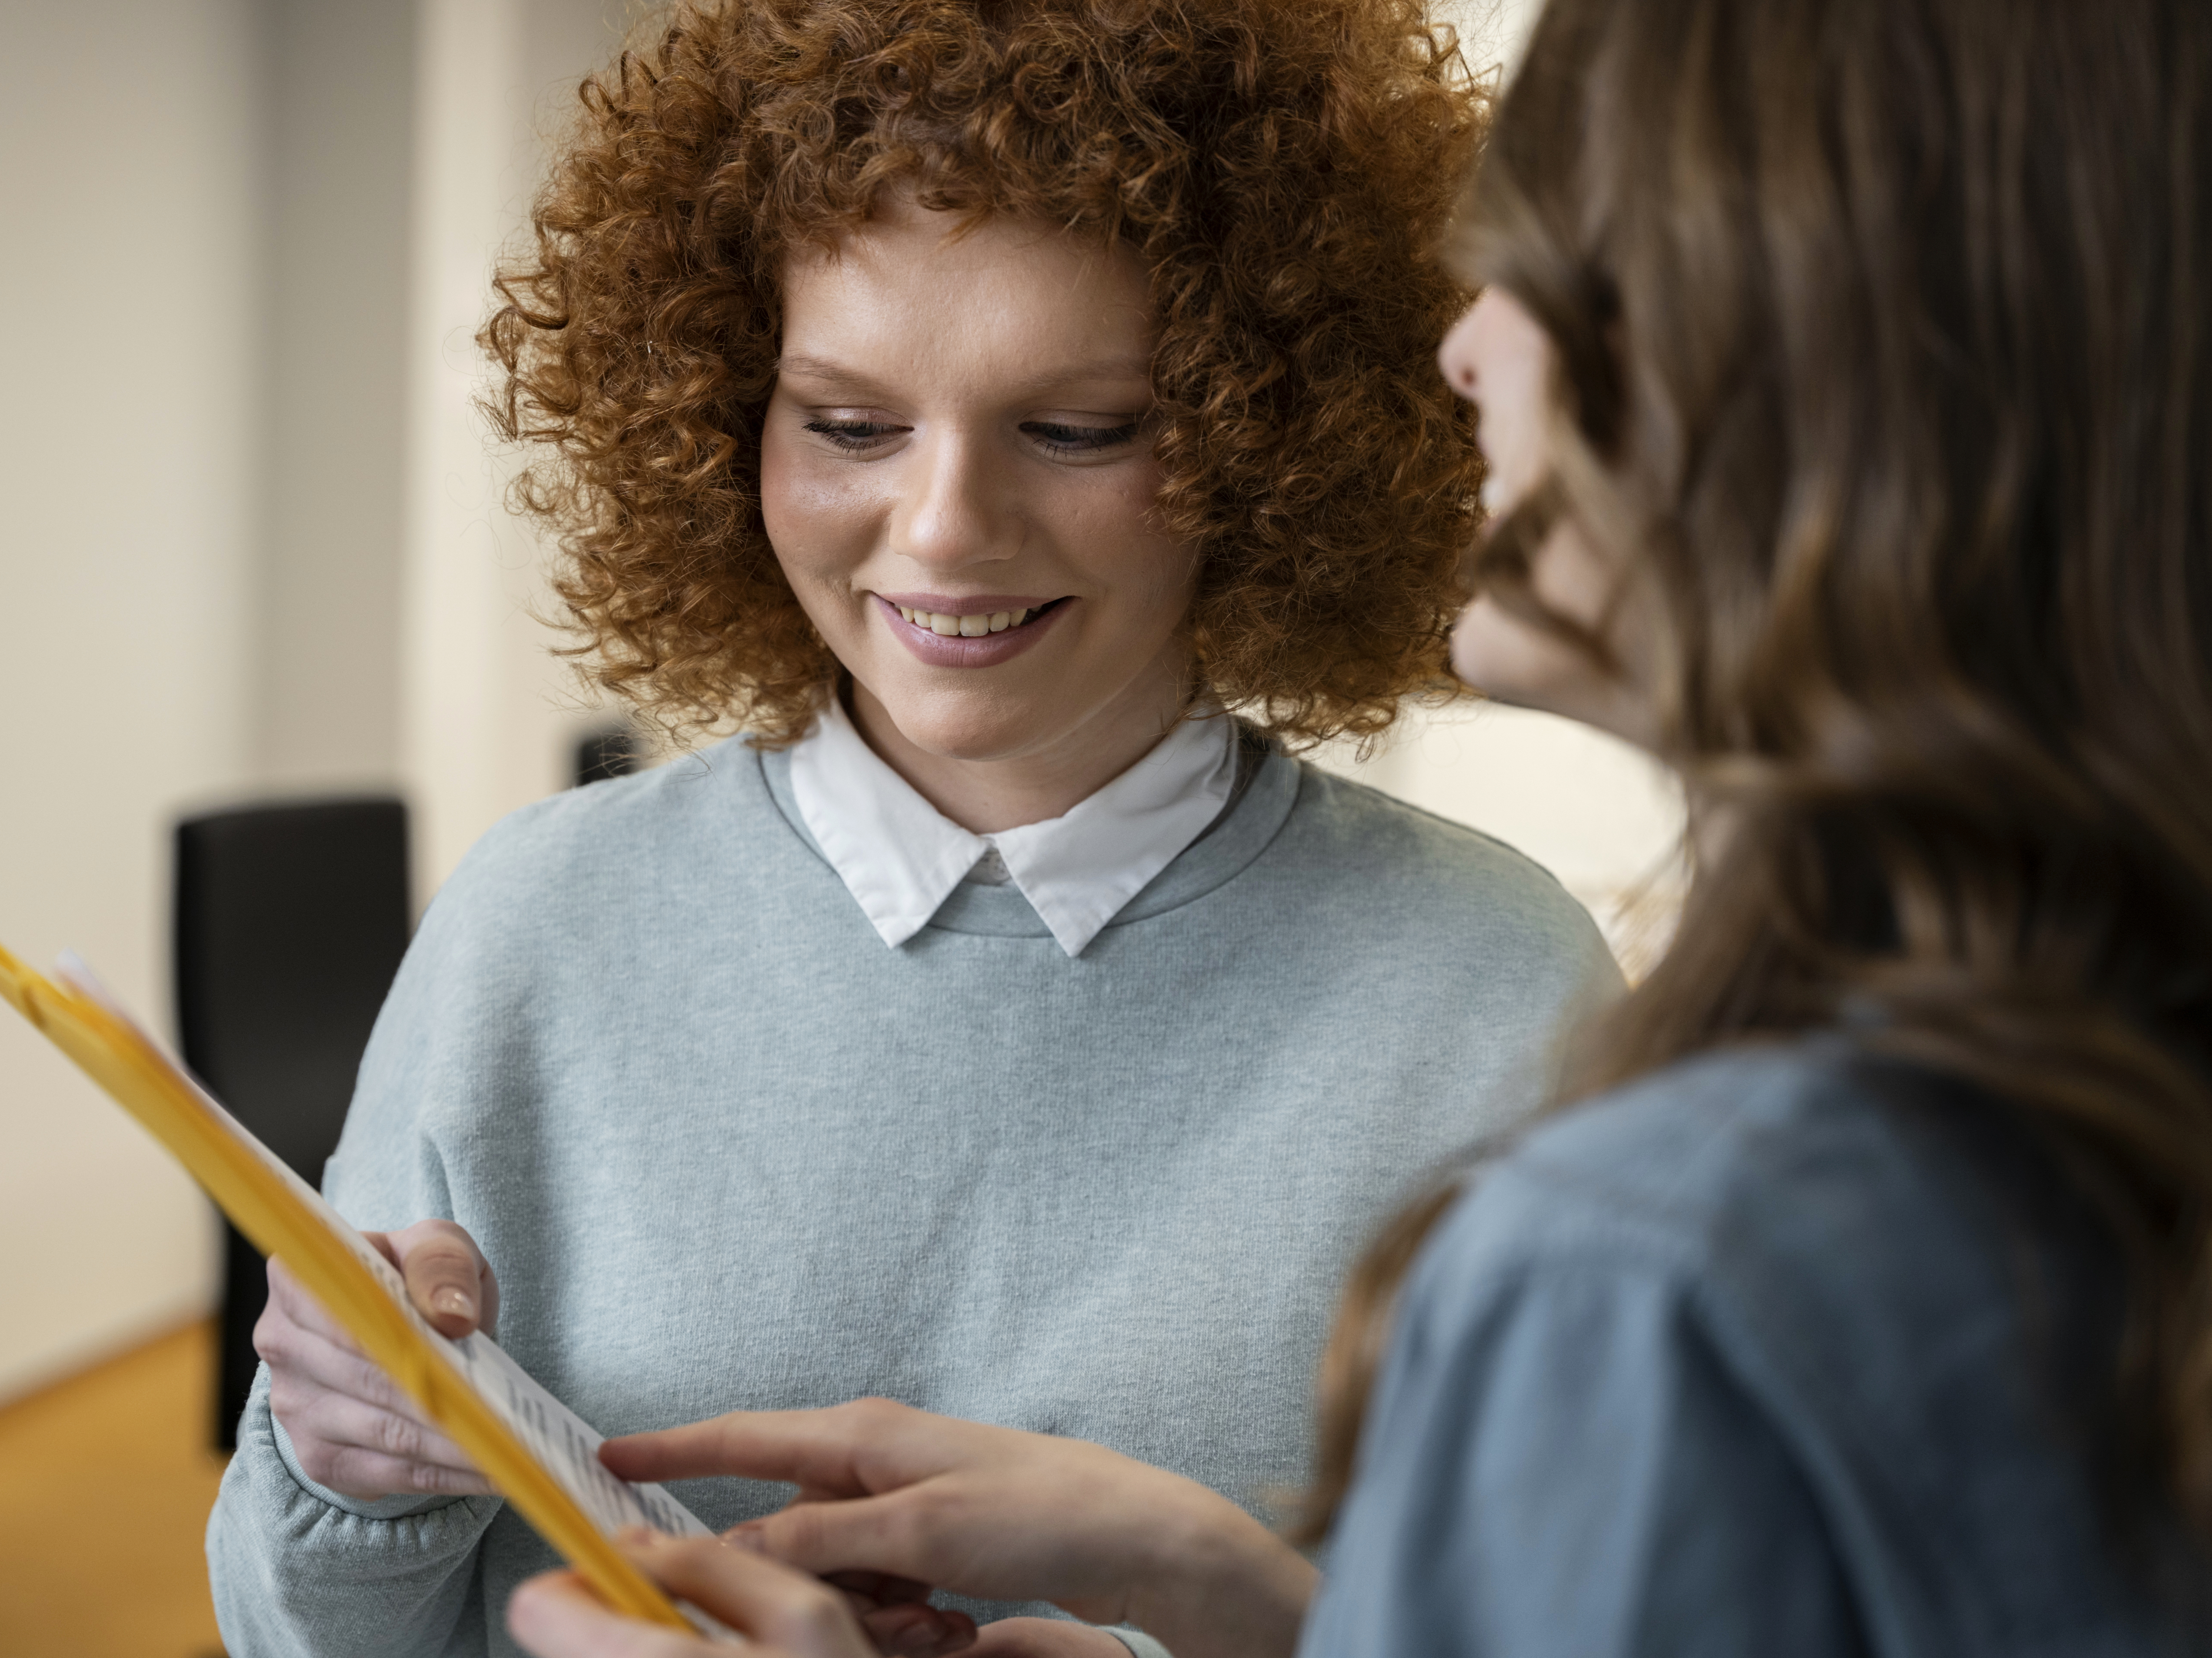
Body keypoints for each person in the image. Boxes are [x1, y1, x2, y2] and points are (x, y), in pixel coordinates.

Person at [492, 0, 2212, 1652]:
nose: (1465, 335)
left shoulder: (1656, 1250)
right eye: (852, 419)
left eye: (1567, 259)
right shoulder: (2097, 1137)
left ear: (1845, 391)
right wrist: (1263, 1593)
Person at [204, 2, 1618, 1654]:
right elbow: (296, 1634)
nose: (942, 530)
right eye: (851, 426)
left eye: (1080, 428)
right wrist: (347, 1471)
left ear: (1272, 441)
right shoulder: (538, 920)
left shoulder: (1500, 993)